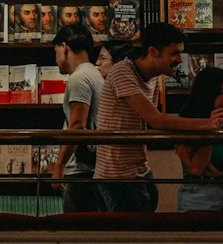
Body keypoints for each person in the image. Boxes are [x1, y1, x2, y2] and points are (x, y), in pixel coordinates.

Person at [95, 20, 223, 213]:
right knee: (131, 239)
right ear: (153, 52)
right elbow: (155, 119)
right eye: (175, 53)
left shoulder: (153, 78)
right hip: (117, 176)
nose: (180, 60)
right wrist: (207, 124)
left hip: (140, 171)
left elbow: (154, 123)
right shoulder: (122, 71)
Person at [51, 26, 104, 213]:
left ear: (64, 47)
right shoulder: (94, 73)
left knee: (76, 235)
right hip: (94, 167)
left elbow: (77, 125)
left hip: (82, 172)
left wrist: (59, 165)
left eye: (56, 51)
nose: (55, 58)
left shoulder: (79, 78)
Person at [174, 65, 223, 212]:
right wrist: (210, 130)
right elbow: (196, 168)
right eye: (222, 92)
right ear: (209, 93)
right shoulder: (186, 122)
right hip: (199, 195)